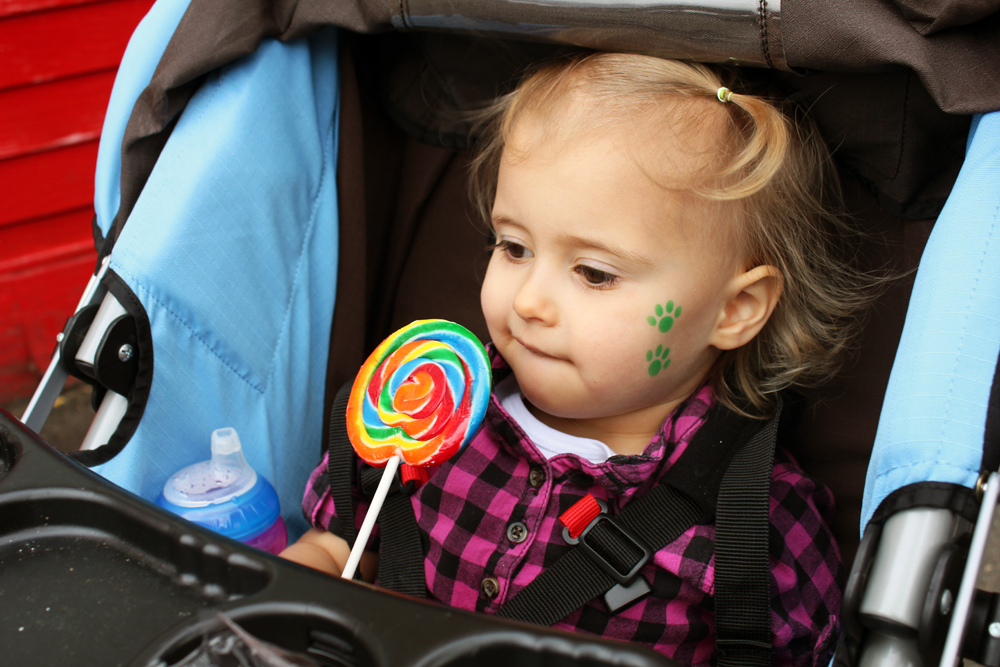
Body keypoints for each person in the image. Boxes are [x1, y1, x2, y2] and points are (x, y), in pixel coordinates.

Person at [281, 53, 873, 666]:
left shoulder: (754, 525)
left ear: (735, 310)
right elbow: (338, 550)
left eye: (594, 273)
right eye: (512, 246)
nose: (530, 300)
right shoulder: (423, 419)